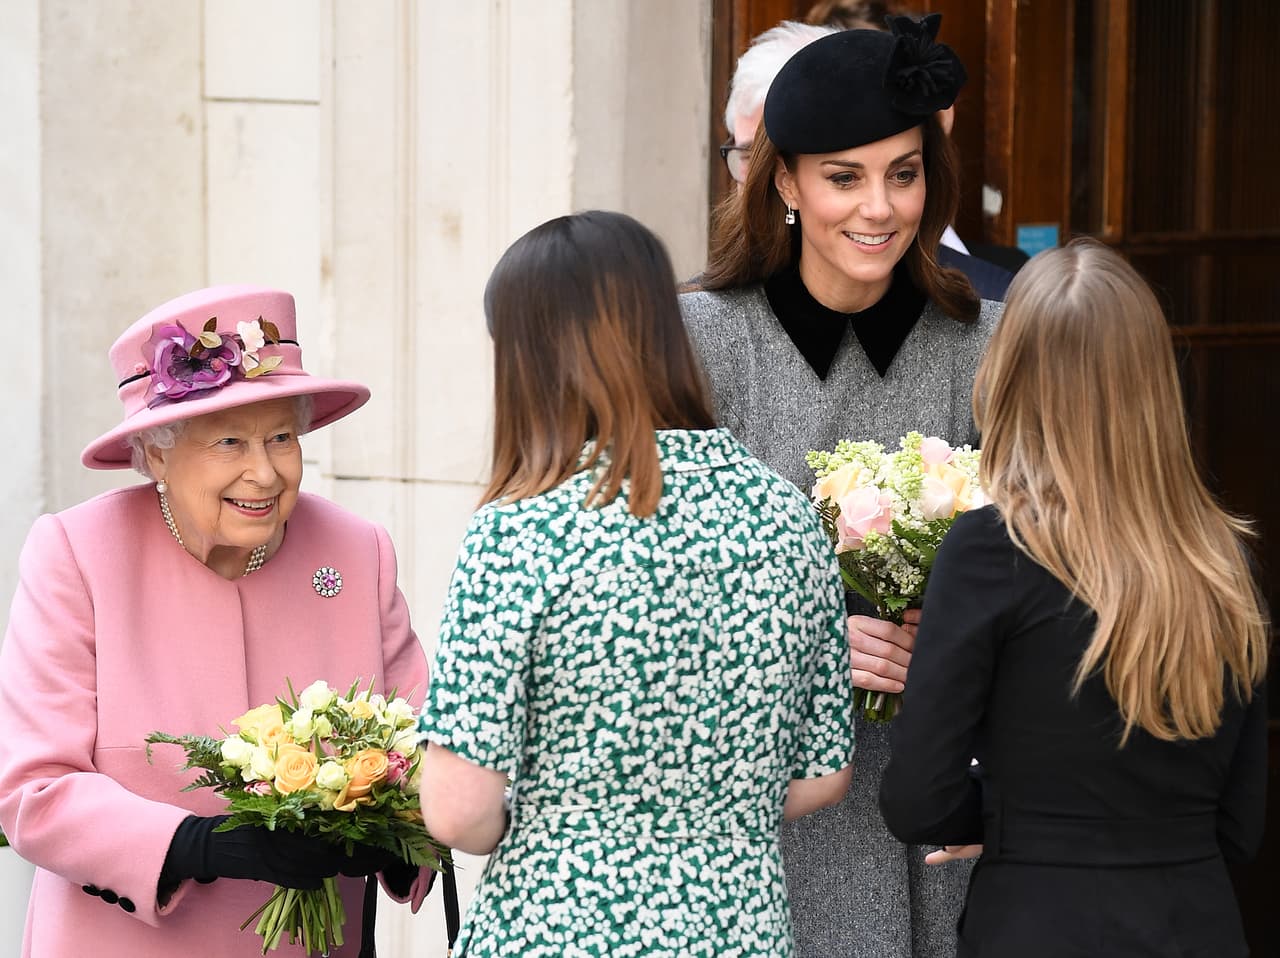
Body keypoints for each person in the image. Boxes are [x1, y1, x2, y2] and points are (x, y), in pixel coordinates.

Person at [415, 210, 857, 956]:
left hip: (556, 926)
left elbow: (458, 812)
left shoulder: (522, 530)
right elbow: (822, 776)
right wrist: (708, 806)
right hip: (738, 929)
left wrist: (565, 813)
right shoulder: (786, 513)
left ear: (530, 356)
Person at [681, 16, 1000, 958]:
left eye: (903, 174)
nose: (880, 208)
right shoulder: (702, 343)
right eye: (844, 176)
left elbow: (1044, 574)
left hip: (939, 792)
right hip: (762, 799)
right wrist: (817, 638)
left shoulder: (982, 345)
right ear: (782, 180)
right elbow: (647, 592)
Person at [0, 286, 433, 957]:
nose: (263, 472)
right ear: (158, 453)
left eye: (281, 438)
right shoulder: (77, 554)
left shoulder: (356, 551)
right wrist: (199, 846)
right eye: (230, 441)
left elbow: (426, 749)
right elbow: (34, 789)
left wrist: (395, 841)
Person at [879, 239, 1269, 957]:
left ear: (1008, 373)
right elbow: (1241, 827)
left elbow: (917, 799)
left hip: (1038, 921)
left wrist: (1019, 818)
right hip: (1196, 925)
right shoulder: (1224, 560)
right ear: (1154, 381)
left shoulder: (992, 550)